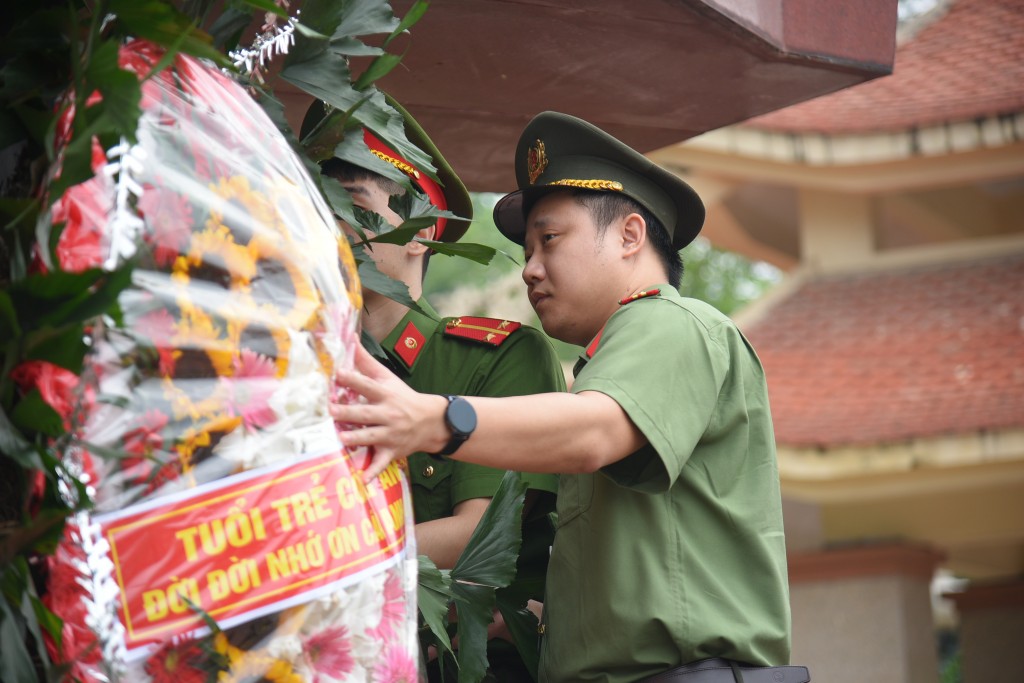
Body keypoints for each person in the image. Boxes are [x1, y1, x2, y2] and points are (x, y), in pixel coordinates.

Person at [330, 112, 804, 683]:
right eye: (528, 249)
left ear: (630, 235)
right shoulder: (615, 358)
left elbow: (592, 432)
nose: (530, 269)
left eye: (549, 239)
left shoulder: (669, 321)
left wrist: (436, 418)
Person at [302, 98, 566, 680]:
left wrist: (310, 556)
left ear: (420, 234)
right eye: (319, 206)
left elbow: (482, 532)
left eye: (357, 203)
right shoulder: (293, 375)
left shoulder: (496, 358)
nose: (333, 224)